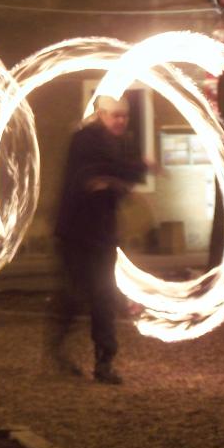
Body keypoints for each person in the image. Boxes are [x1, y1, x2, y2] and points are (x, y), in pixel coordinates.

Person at [52, 95, 149, 384]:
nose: (121, 121)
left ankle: (103, 363)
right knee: (75, 296)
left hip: (102, 236)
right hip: (76, 234)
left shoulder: (111, 143)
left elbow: (110, 178)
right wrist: (134, 171)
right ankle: (57, 352)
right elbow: (103, 172)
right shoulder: (86, 139)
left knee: (103, 297)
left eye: (124, 116)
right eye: (114, 115)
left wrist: (116, 184)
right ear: (100, 114)